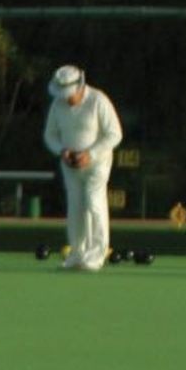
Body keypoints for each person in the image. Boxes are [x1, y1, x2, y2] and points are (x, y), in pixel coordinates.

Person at [42, 64, 123, 271]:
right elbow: (50, 135)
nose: (66, 98)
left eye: (69, 93)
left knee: (94, 202)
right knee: (75, 206)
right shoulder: (58, 105)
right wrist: (62, 150)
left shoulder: (98, 100)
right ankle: (77, 254)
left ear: (80, 86)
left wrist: (92, 154)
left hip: (98, 163)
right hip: (70, 165)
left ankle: (96, 255)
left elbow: (115, 133)